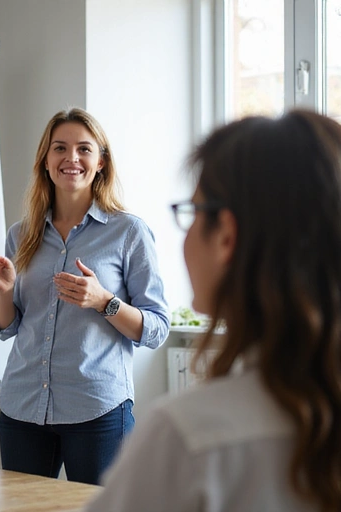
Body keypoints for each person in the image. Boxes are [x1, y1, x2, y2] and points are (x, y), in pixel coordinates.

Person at [85, 110, 341, 512]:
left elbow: (153, 325)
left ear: (225, 235)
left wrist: (105, 301)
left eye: (192, 212)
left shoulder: (189, 438)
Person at [0, 107, 169, 485]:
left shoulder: (129, 232)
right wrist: (4, 292)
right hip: (23, 406)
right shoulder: (21, 234)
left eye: (83, 149)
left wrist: (103, 301)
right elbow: (6, 327)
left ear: (100, 162)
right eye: (60, 148)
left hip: (96, 409)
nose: (71, 159)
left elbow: (157, 329)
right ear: (46, 161)